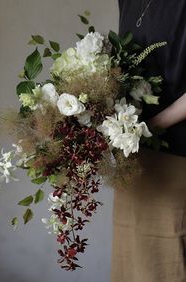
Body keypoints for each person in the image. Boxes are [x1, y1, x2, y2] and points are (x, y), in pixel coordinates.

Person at [110, 1, 186, 281]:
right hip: (133, 160)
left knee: (168, 265)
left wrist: (150, 126)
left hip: (176, 159)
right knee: (131, 263)